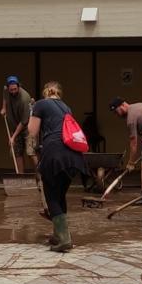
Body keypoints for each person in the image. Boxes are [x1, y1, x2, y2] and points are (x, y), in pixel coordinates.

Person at [29, 82, 90, 252]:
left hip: (55, 153)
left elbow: (32, 131)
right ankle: (58, 235)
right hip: (74, 156)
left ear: (45, 93)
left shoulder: (40, 104)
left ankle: (64, 240)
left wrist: (31, 112)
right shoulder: (66, 107)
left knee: (51, 196)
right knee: (60, 194)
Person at [0, 76, 34, 172]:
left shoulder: (24, 98)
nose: (13, 91)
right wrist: (4, 107)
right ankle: (20, 176)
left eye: (15, 89)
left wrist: (13, 137)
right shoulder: (6, 90)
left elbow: (24, 121)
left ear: (19, 86)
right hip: (14, 126)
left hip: (27, 127)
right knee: (17, 152)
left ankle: (39, 175)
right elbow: (5, 94)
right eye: (11, 90)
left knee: (30, 152)